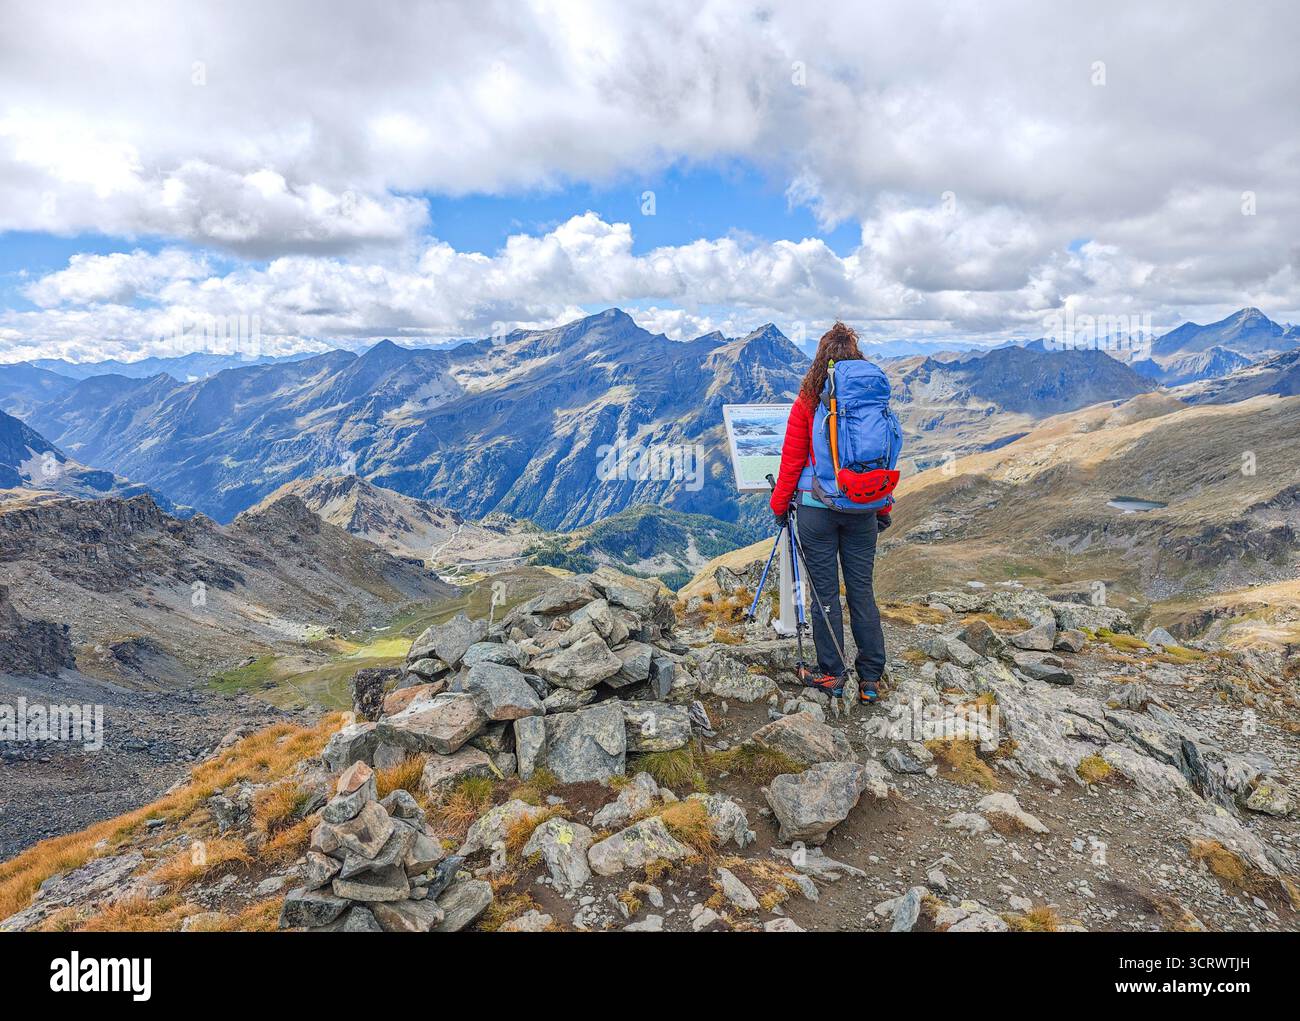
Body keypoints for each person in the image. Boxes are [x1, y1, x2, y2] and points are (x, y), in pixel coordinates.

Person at [769, 321, 900, 703]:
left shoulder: (808, 402)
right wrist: (883, 503)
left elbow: (791, 462)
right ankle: (871, 678)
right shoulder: (872, 402)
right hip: (863, 507)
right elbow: (882, 457)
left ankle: (833, 674)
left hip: (817, 510)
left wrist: (780, 507)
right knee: (862, 591)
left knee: (824, 595)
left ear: (821, 360)